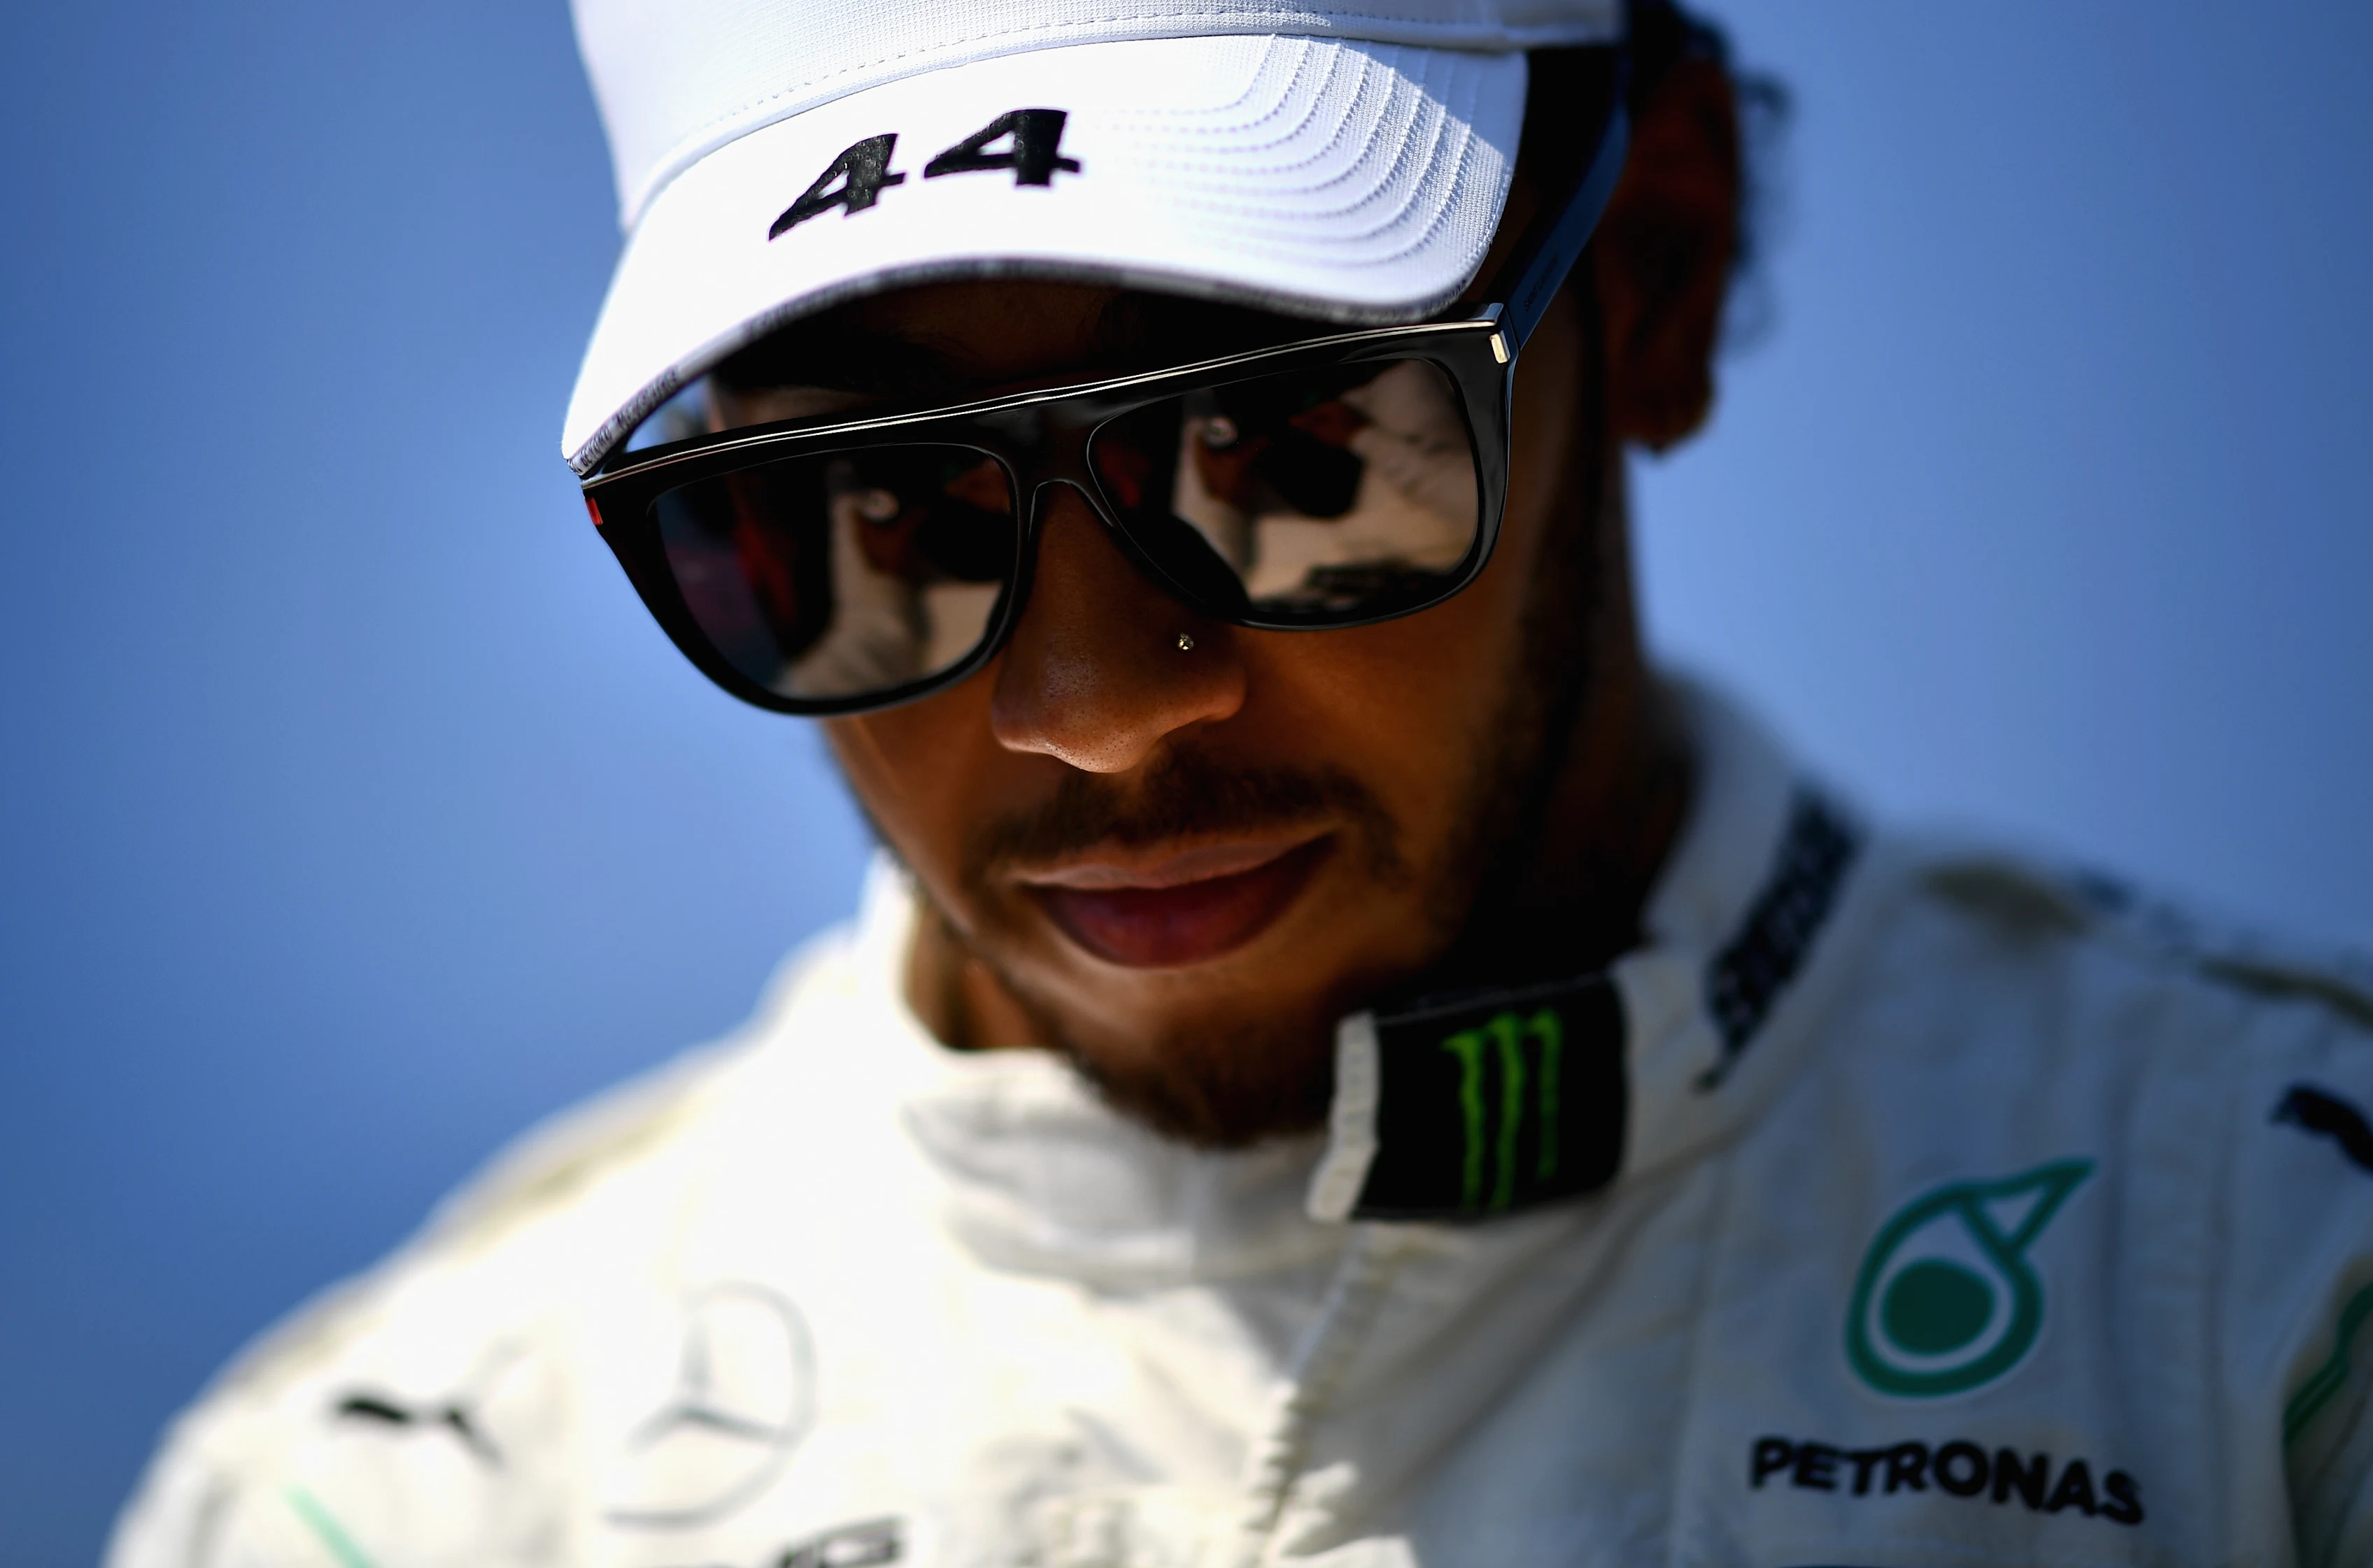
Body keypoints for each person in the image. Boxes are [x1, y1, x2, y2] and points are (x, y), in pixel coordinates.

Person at [109, 0, 2373, 1562]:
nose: (1097, 709)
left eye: (1286, 449)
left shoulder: (2276, 1294)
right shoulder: (406, 1491)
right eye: (875, 510)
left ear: (1656, 271)